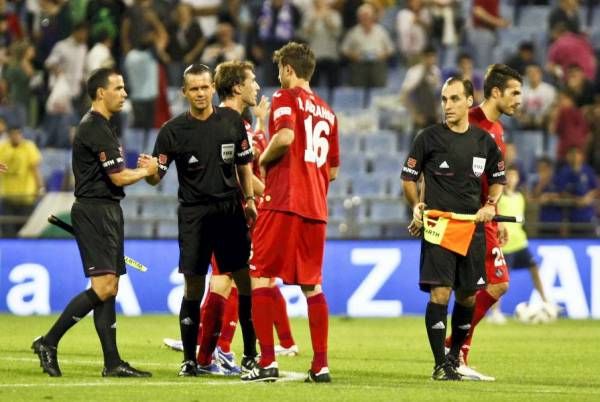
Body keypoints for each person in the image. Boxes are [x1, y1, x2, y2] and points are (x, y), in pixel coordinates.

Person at [162, 61, 299, 370]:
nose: (257, 87)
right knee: (229, 282)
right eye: (252, 81)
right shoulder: (228, 120)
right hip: (221, 213)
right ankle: (215, 351)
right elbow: (239, 173)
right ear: (237, 87)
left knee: (236, 282)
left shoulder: (240, 123)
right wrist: (269, 198)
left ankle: (212, 352)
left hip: (235, 212)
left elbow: (246, 162)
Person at [31, 67, 156, 378]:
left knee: (109, 289)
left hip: (108, 211)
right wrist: (147, 170)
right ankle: (48, 341)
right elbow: (118, 176)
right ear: (102, 92)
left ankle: (112, 362)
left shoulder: (103, 127)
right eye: (119, 87)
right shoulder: (95, 127)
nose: (125, 93)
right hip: (96, 211)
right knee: (104, 286)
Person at [143, 63, 257, 377]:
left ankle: (250, 353)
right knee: (193, 285)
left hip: (230, 210)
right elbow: (156, 177)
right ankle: (190, 360)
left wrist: (248, 200)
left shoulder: (233, 120)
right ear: (184, 92)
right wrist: (149, 170)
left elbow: (244, 165)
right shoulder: (172, 131)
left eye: (205, 87)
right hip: (194, 215)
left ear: (212, 87)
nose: (201, 93)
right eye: (194, 88)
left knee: (244, 279)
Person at [242, 42, 340, 383]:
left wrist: (266, 161)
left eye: (279, 69)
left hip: (282, 201)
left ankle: (267, 362)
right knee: (312, 286)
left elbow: (283, 137)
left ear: (288, 70)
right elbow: (333, 171)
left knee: (261, 277)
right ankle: (321, 365)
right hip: (316, 208)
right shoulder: (329, 113)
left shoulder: (284, 98)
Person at [402, 76, 505, 380]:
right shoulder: (428, 138)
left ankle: (453, 358)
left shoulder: (484, 142)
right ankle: (439, 365)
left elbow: (498, 179)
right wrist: (416, 206)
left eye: (454, 99)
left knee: (468, 297)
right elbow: (408, 178)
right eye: (445, 99)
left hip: (471, 228)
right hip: (439, 226)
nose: (447, 105)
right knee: (440, 294)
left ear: (469, 101)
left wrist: (490, 205)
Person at [445, 64, 522, 378]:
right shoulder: (470, 122)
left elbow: (493, 178)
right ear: (495, 92)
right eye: (514, 92)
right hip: (467, 217)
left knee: (481, 288)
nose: (519, 99)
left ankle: (457, 352)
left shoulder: (498, 130)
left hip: (484, 217)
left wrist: (495, 209)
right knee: (497, 284)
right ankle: (455, 347)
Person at [497, 165, 554, 314]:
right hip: (505, 245)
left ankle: (546, 302)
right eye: (508, 175)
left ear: (518, 179)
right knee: (501, 281)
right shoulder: (498, 197)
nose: (511, 179)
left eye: (514, 176)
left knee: (534, 268)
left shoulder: (520, 197)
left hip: (520, 243)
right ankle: (495, 312)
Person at [0, 125, 44, 236]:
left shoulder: (29, 147)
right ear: (9, 135)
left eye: (18, 134)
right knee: (7, 232)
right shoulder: (2, 148)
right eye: (13, 134)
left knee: (26, 232)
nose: (16, 136)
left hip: (26, 196)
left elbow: (35, 169)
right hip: (8, 196)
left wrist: (40, 187)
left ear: (21, 135)